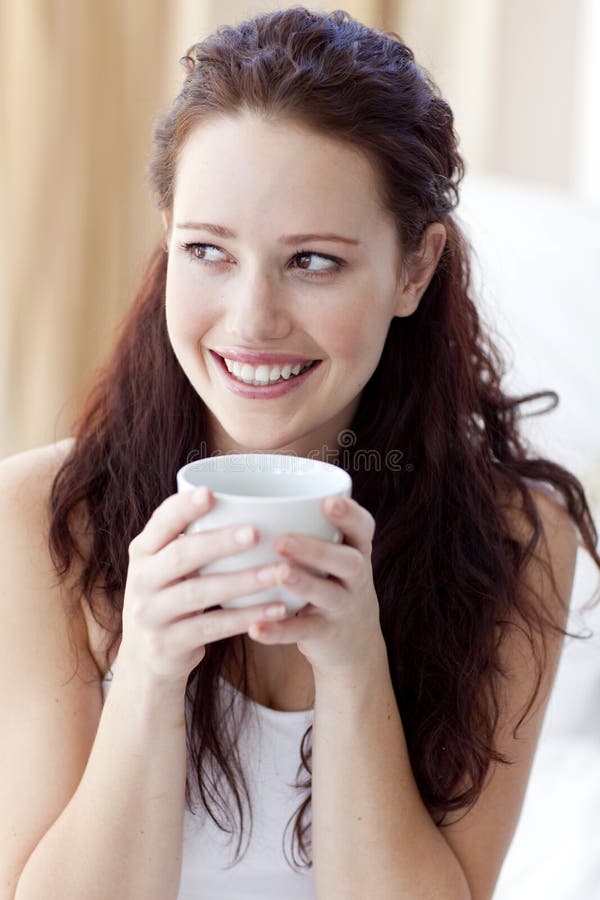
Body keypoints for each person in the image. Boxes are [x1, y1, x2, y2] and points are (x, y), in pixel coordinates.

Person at [2, 6, 598, 900]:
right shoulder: (41, 518)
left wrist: (355, 670)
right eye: (208, 250)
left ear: (414, 269)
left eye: (313, 261)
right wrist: (150, 674)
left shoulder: (519, 540)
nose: (251, 322)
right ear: (169, 238)